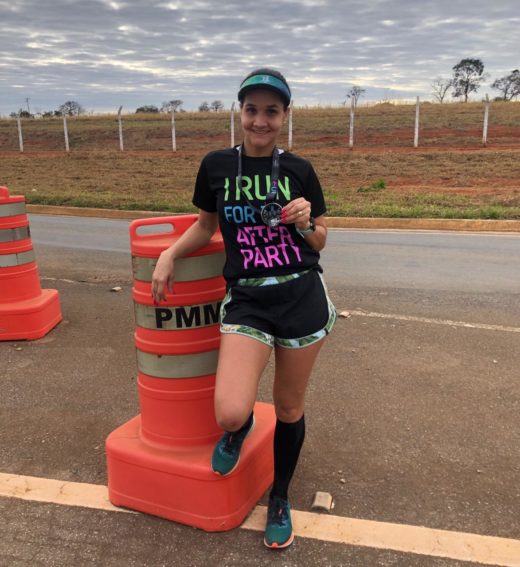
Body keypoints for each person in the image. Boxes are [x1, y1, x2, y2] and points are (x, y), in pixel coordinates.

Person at [151, 68, 336, 549]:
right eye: (252, 109)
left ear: (284, 116)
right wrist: (169, 254)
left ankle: (280, 497)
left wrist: (303, 222)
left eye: (271, 111)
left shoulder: (299, 169)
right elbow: (205, 225)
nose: (260, 121)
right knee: (231, 412)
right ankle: (241, 429)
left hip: (300, 296)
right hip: (249, 299)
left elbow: (321, 239)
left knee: (289, 406)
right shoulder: (216, 165)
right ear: (241, 111)